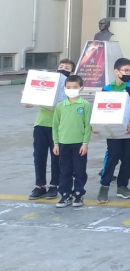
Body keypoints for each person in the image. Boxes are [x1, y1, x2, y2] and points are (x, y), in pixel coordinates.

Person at [27, 58, 75, 200]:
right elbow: (30, 99)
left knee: (56, 158)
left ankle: (54, 185)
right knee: (39, 157)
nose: (63, 69)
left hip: (59, 126)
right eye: (61, 66)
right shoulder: (47, 84)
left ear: (71, 73)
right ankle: (39, 186)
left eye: (67, 68)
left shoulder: (71, 88)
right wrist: (28, 97)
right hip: (41, 124)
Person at [97, 59, 130, 204]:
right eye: (126, 70)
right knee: (113, 155)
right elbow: (101, 108)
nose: (129, 73)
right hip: (113, 129)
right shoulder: (107, 89)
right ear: (116, 71)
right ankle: (104, 186)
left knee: (128, 157)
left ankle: (122, 186)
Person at [52, 75, 91, 208]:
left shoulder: (85, 105)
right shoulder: (60, 105)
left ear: (81, 88)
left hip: (79, 144)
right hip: (63, 143)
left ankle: (78, 194)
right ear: (64, 89)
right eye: (68, 87)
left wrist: (85, 143)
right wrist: (56, 143)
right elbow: (55, 125)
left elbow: (87, 126)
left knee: (79, 170)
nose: (71, 90)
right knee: (64, 170)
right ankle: (65, 194)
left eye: (75, 87)